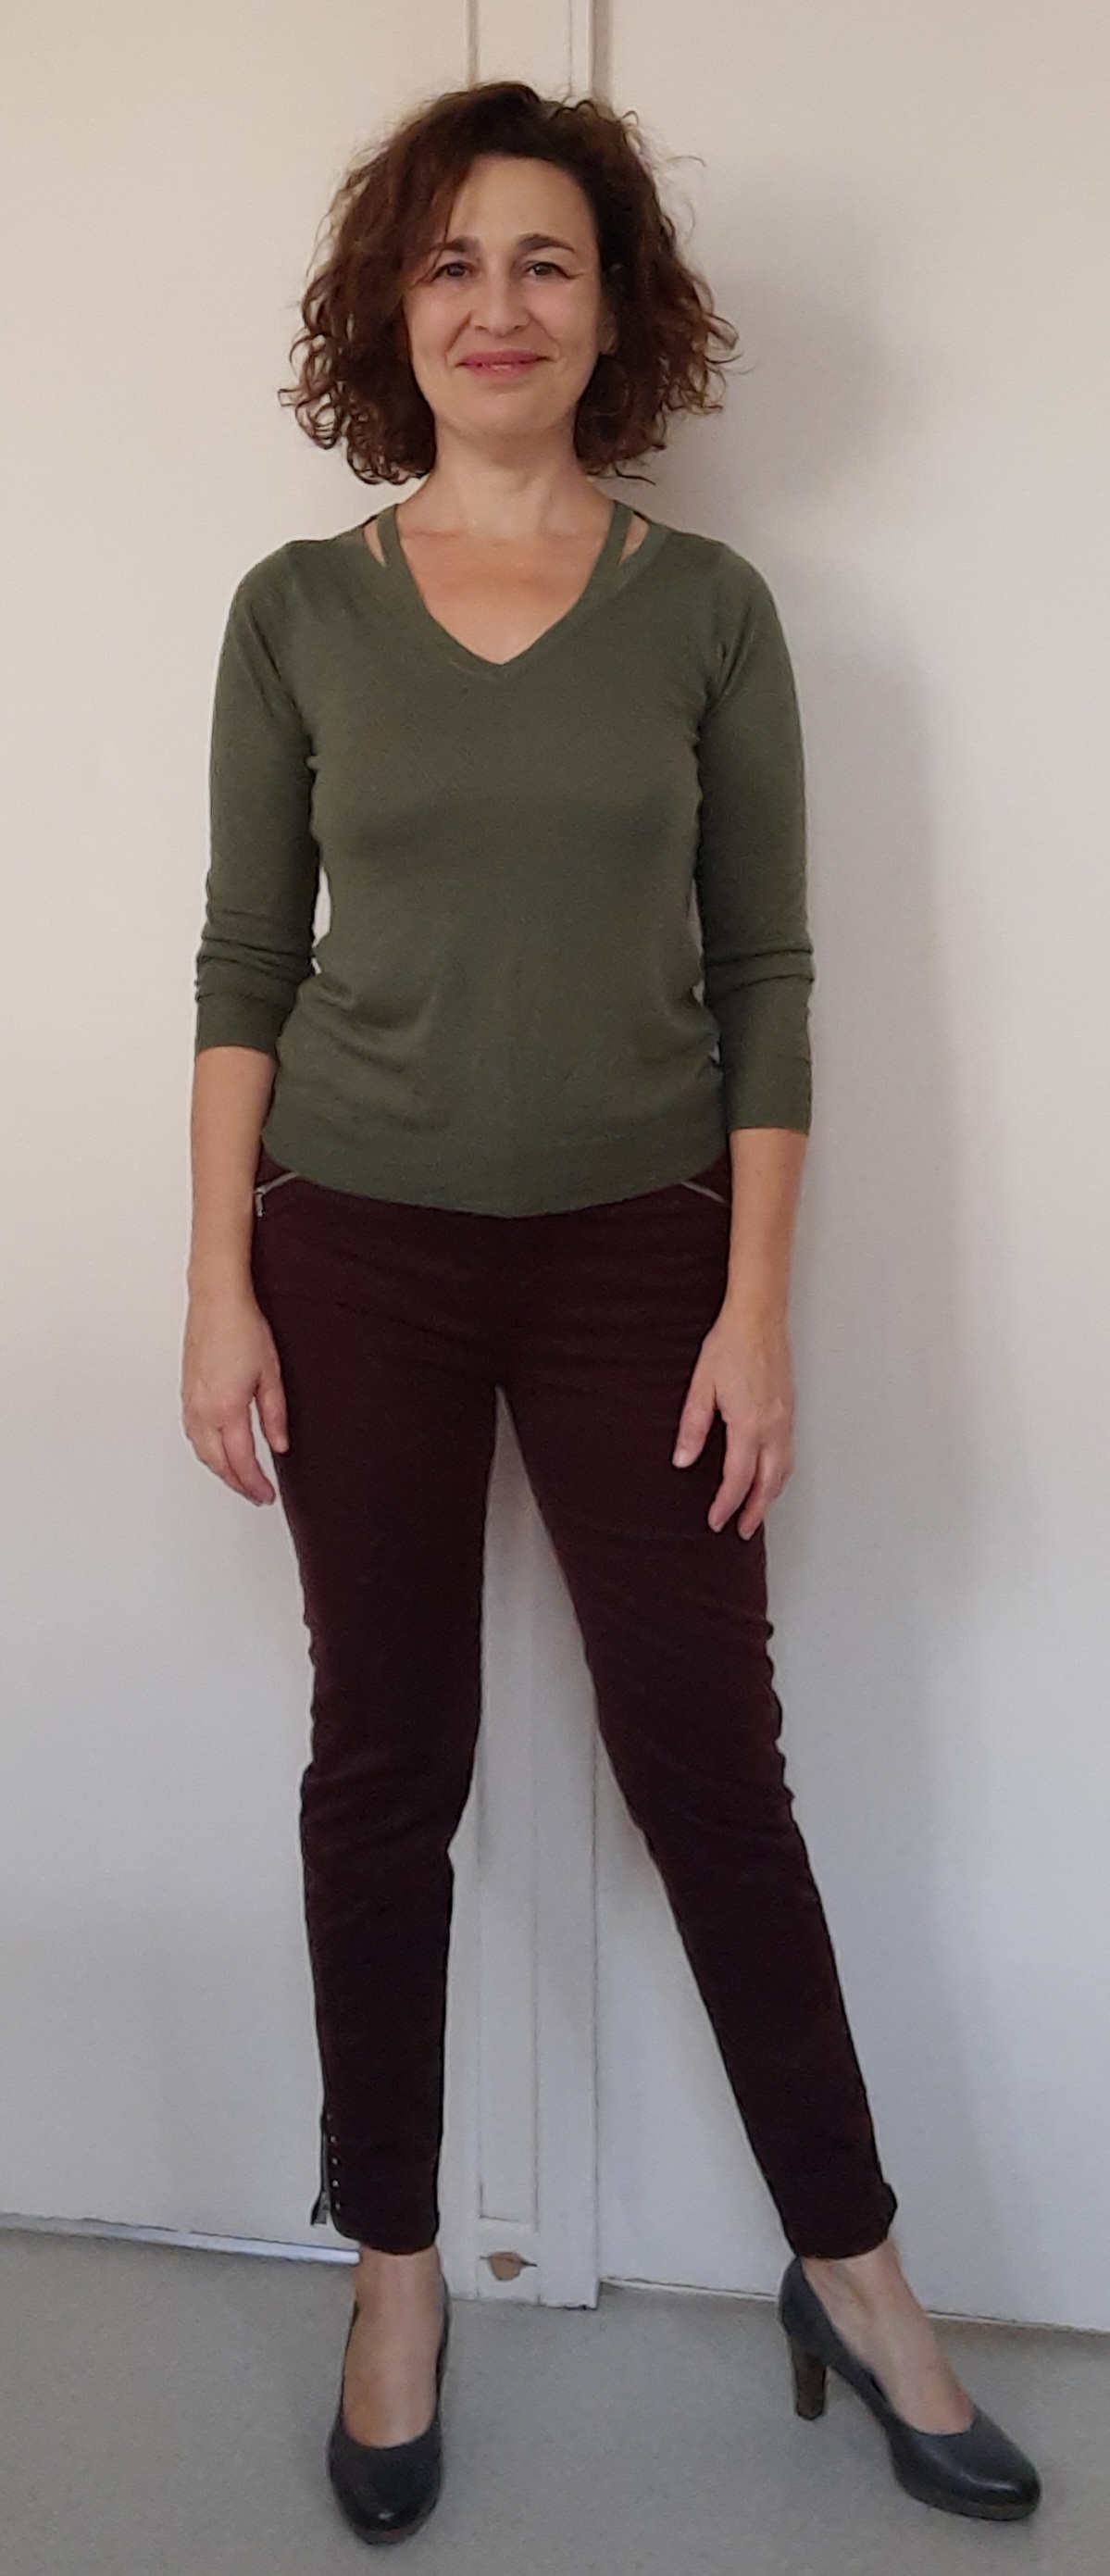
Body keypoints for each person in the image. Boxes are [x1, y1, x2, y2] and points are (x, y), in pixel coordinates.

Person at [181, 78, 1041, 2546]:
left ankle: (851, 2267)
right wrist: (218, 1278)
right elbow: (245, 965)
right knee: (386, 1766)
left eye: (545, 259)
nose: (497, 304)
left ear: (613, 308)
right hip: (354, 1247)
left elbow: (767, 973)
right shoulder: (296, 609)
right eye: (451, 261)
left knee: (709, 1772)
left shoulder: (708, 611)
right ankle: (395, 2267)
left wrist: (756, 1305)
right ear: (393, 308)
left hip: (640, 1262)